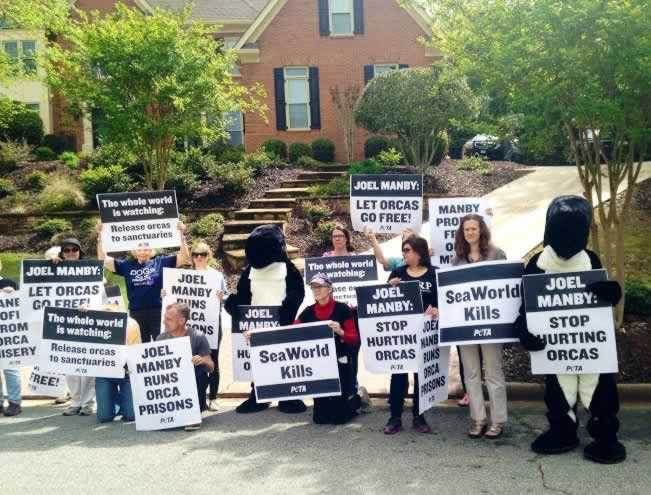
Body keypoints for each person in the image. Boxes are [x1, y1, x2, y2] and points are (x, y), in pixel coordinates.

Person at [224, 224, 306, 414]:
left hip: (281, 323)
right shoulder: (250, 271)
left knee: (285, 361)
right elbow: (242, 295)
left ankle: (288, 396)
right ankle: (259, 396)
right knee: (258, 362)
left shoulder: (288, 269)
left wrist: (286, 312)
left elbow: (297, 293)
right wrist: (234, 305)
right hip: (257, 324)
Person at [452, 213, 508, 439]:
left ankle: (498, 421)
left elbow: (505, 287)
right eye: (466, 229)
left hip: (491, 324)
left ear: (481, 230)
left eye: (474, 228)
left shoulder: (497, 255)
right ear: (462, 233)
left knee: (494, 373)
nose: (470, 233)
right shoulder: (457, 260)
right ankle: (478, 419)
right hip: (466, 327)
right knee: (471, 375)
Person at [97, 221, 190, 342]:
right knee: (140, 347)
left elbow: (184, 257)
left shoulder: (160, 262)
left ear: (151, 250)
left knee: (162, 344)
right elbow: (103, 260)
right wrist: (100, 235)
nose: (142, 252)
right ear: (134, 251)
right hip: (137, 312)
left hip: (158, 312)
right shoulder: (126, 265)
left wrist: (181, 234)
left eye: (146, 248)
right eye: (139, 249)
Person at [384, 235, 439, 434]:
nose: (403, 254)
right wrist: (390, 289)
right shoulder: (397, 272)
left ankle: (419, 416)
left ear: (419, 252)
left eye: (407, 250)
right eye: (403, 250)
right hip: (402, 335)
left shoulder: (434, 274)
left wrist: (437, 311)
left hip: (426, 333)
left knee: (421, 376)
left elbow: (444, 302)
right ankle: (395, 417)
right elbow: (383, 304)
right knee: (398, 374)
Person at [295, 273, 360, 424]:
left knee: (339, 418)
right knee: (320, 419)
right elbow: (291, 332)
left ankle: (356, 398)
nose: (316, 290)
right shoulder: (308, 311)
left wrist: (340, 331)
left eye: (319, 286)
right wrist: (257, 335)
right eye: (313, 287)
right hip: (319, 367)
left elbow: (354, 339)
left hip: (340, 363)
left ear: (329, 289)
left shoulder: (342, 309)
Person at [47, 239, 97, 416]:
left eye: (74, 249)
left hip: (87, 322)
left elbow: (100, 294)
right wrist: (52, 262)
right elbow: (40, 282)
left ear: (80, 251)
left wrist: (90, 307)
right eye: (66, 250)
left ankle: (89, 402)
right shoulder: (55, 268)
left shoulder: (91, 269)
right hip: (64, 323)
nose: (70, 253)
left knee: (89, 366)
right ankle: (76, 401)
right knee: (70, 367)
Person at [322, 224, 369, 410]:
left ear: (347, 238)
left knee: (352, 349)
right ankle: (338, 389)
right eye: (334, 236)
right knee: (335, 351)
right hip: (333, 312)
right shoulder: (325, 259)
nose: (337, 239)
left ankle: (353, 386)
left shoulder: (355, 260)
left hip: (353, 313)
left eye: (340, 236)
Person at [182, 240, 227, 412]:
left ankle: (214, 397)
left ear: (209, 256)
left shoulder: (216, 276)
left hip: (212, 324)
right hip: (191, 327)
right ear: (192, 257)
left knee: (212, 359)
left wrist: (222, 297)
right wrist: (166, 294)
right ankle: (196, 395)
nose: (199, 257)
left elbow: (226, 298)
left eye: (203, 254)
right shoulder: (184, 276)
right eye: (195, 254)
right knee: (192, 359)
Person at [157, 302, 213, 431]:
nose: (164, 322)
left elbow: (211, 367)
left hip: (191, 382)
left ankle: (194, 413)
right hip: (171, 383)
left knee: (200, 370)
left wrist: (203, 360)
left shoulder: (198, 337)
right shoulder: (160, 339)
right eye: (165, 318)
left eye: (168, 319)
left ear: (182, 321)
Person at [90, 305, 141, 423]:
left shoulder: (131, 324)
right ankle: (116, 402)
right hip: (105, 373)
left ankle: (124, 402)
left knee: (131, 416)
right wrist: (84, 312)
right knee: (104, 417)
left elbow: (135, 352)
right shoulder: (95, 324)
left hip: (127, 373)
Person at [0, 258, 21, 417]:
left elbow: (21, 303)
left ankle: (14, 402)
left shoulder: (8, 284)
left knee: (10, 367)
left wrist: (12, 293)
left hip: (7, 333)